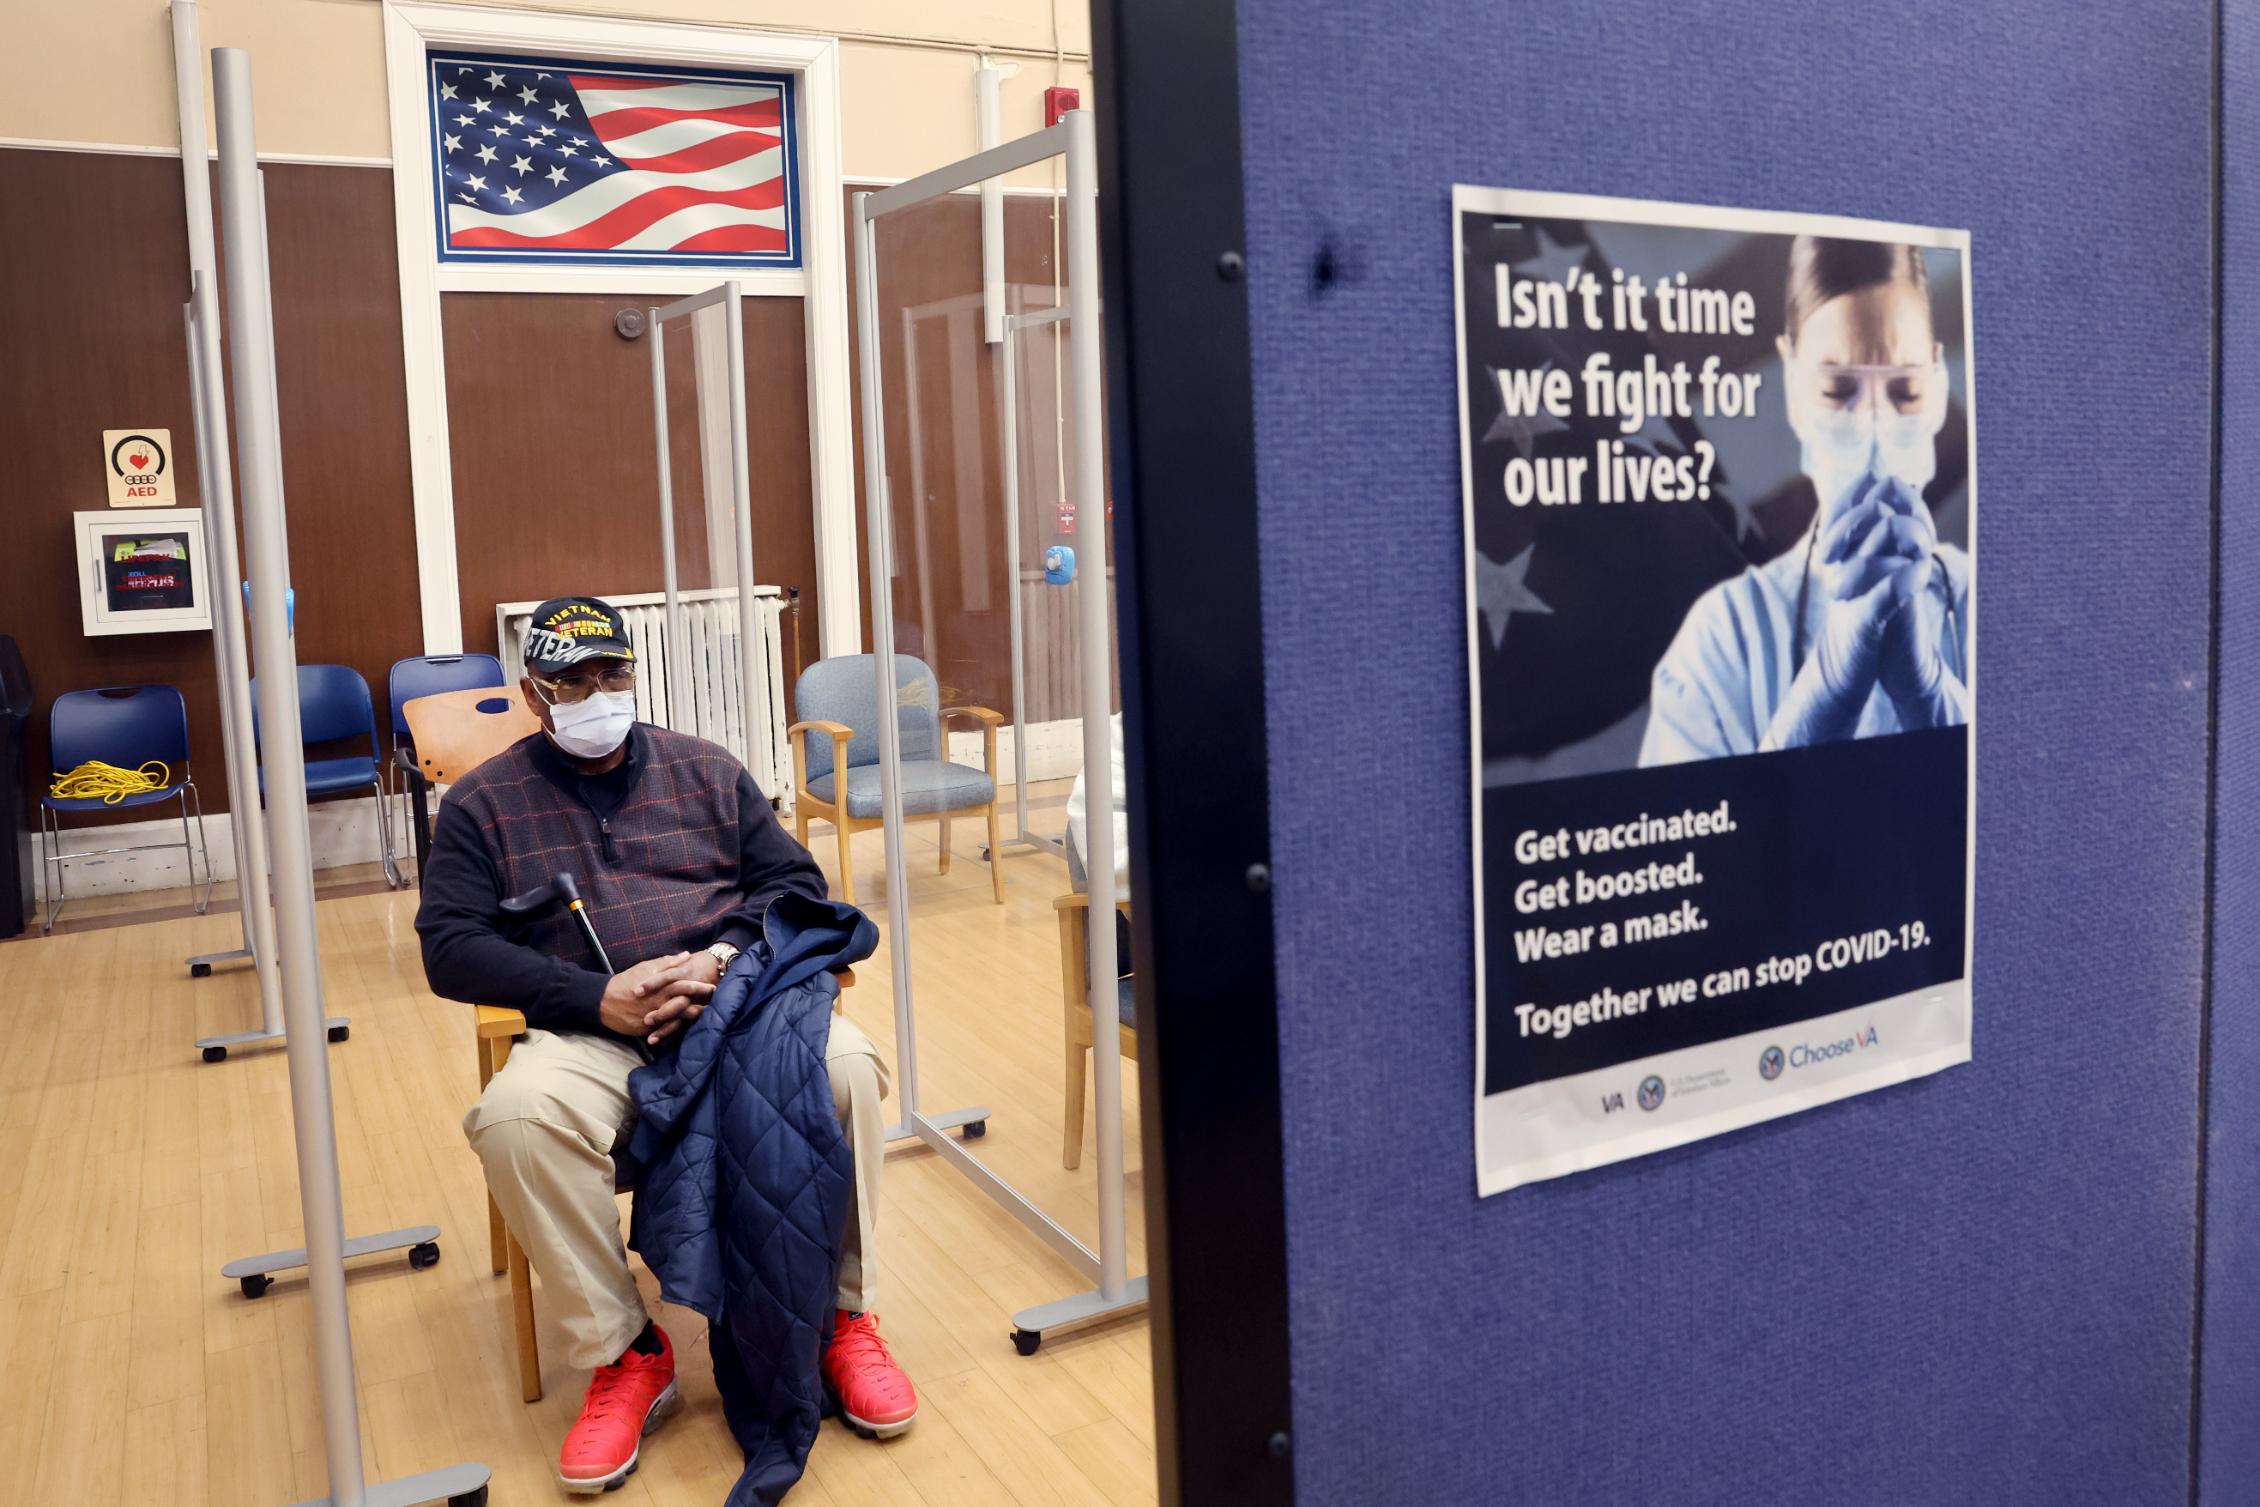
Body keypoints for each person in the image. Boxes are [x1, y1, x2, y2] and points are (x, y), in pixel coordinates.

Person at [416, 596, 917, 1495]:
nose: (597, 693)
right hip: (590, 1027)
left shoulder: (705, 770)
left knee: (847, 1065)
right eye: (573, 680)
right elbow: (448, 947)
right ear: (534, 694)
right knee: (514, 1119)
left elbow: (791, 884)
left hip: (736, 1014)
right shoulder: (481, 804)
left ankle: (841, 1317)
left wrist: (724, 959)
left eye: (612, 674)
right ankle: (624, 1351)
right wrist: (592, 996)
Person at [1640, 236, 1970, 764]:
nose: (1874, 431)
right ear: (1793, 385)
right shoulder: (1722, 642)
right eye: (1838, 393)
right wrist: (1825, 695)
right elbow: (1689, 843)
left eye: (1905, 392)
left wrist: (1926, 693)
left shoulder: (1986, 603)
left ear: (1937, 384)